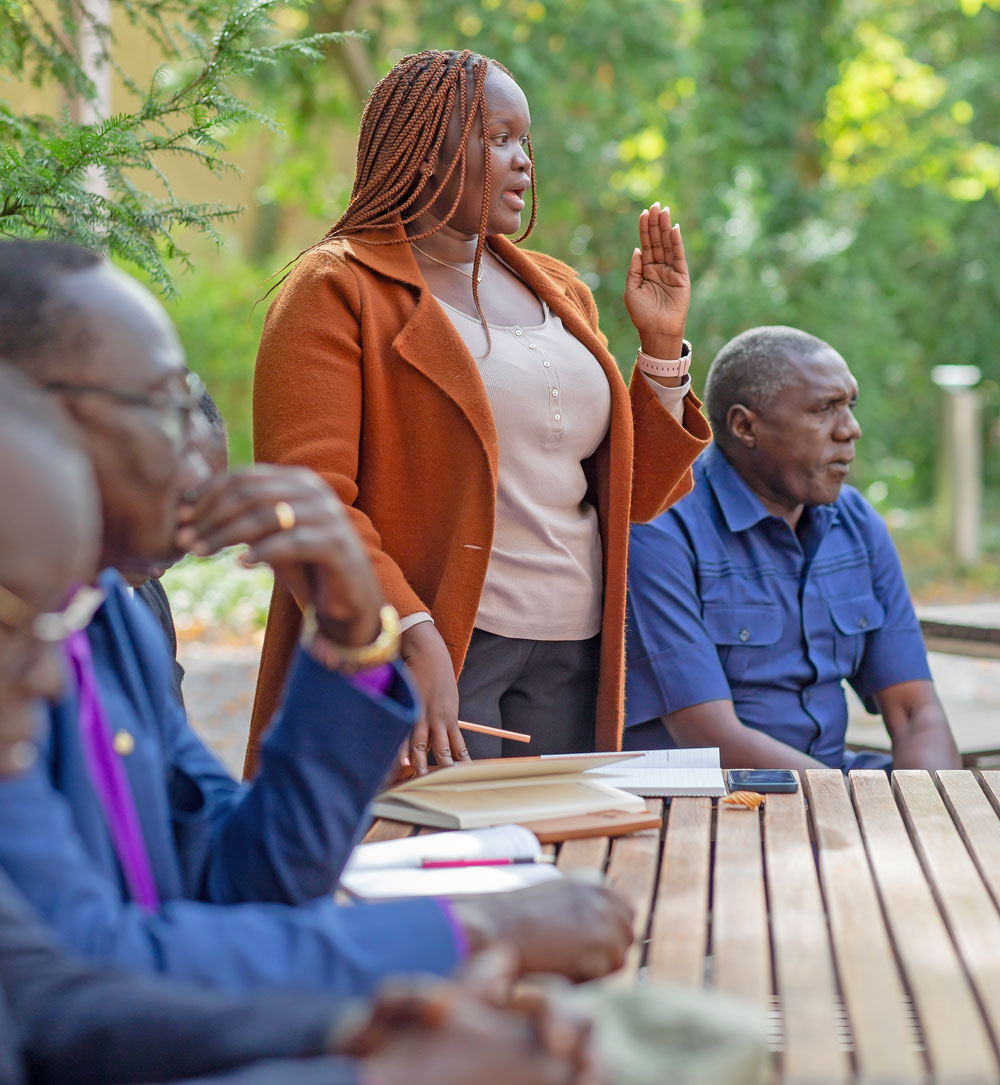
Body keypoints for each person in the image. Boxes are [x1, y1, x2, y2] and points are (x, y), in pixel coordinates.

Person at [0, 239, 634, 996]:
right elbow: (87, 979)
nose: (199, 442)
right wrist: (467, 934)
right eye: (166, 403)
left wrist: (351, 634)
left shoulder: (115, 617)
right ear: (33, 419)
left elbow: (248, 873)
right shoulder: (25, 643)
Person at [247, 48, 712, 776]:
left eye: (524, 141)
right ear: (425, 149)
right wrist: (409, 628)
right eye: (498, 138)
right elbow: (306, 500)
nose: (523, 161)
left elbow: (635, 498)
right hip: (438, 646)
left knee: (557, 865)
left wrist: (659, 351)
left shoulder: (560, 290)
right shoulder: (336, 288)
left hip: (575, 649)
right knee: (436, 867)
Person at [623, 325, 961, 772]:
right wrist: (847, 808)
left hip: (828, 781)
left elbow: (917, 713)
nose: (851, 430)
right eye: (825, 410)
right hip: (709, 797)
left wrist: (922, 814)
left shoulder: (855, 522)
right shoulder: (662, 524)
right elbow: (708, 735)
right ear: (746, 426)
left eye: (850, 407)